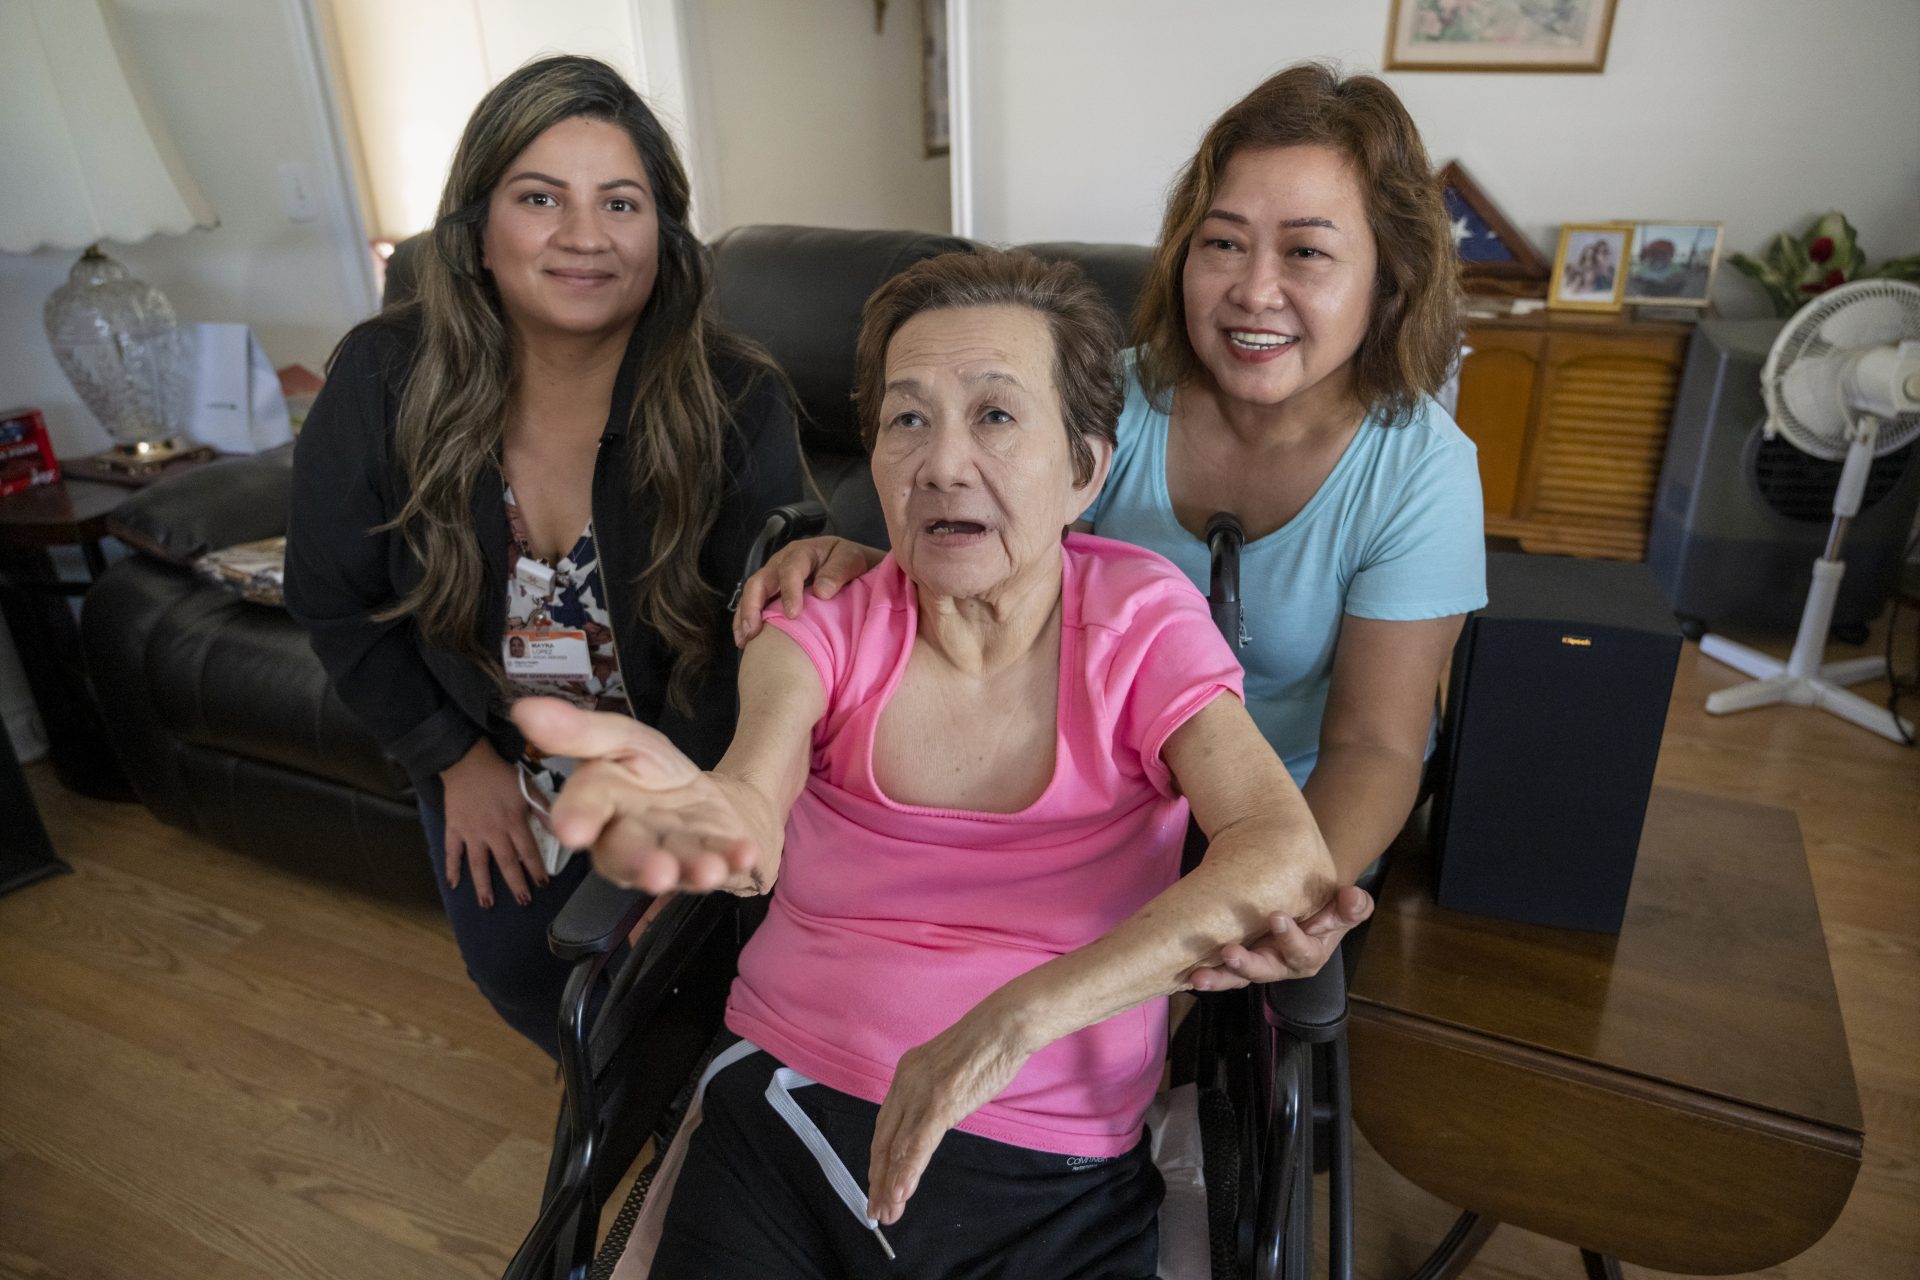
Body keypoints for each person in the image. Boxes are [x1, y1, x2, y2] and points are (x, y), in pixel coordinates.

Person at [514, 249, 1338, 1278]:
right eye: (907, 419)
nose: (942, 461)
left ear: (1084, 467)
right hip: (790, 1108)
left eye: (995, 414)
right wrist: (710, 814)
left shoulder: (1138, 619)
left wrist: (1010, 1022)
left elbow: (1281, 851)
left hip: (1054, 1154)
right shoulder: (818, 616)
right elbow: (752, 797)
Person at [735, 63, 1486, 988]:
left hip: (1284, 815)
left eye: (1307, 252)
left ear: (1387, 278)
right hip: (1078, 822)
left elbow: (1374, 744)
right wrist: (865, 561)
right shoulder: (1104, 401)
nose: (1254, 289)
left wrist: (1282, 900)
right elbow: (976, 546)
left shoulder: (1421, 472)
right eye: (1222, 244)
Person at [285, 56, 802, 1058]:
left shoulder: (737, 393)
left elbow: (773, 625)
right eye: (539, 198)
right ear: (476, 231)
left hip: (690, 769)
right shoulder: (383, 375)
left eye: (621, 202)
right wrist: (455, 760)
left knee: (716, 1009)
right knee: (537, 987)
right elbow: (331, 596)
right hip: (495, 758)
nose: (584, 236)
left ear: (663, 235)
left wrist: (694, 799)